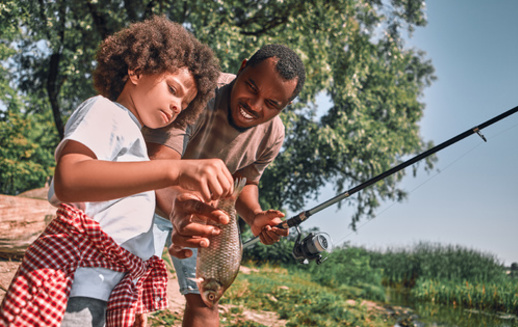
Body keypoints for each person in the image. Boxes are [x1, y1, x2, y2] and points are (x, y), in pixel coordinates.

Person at [0, 16, 234, 327]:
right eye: (173, 89)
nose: (177, 105)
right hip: (75, 286)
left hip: (105, 289)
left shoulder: (133, 136)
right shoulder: (104, 110)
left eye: (186, 102)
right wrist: (173, 171)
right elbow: (70, 179)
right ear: (136, 70)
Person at [143, 44, 306, 327]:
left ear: (285, 106)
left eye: (271, 104)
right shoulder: (199, 92)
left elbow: (245, 180)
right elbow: (157, 167)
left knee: (206, 299)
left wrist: (254, 215)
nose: (254, 105)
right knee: (126, 288)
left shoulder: (274, 133)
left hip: (204, 217)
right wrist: (182, 210)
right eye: (251, 87)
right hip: (148, 199)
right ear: (242, 68)